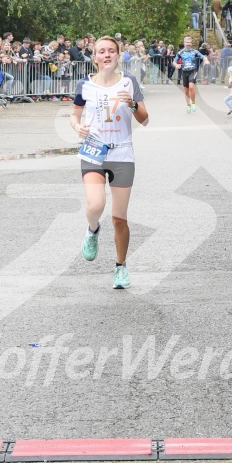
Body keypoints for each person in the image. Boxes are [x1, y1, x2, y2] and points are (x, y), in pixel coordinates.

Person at [70, 36, 149, 289]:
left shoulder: (129, 82)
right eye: (101, 51)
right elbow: (75, 114)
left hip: (122, 154)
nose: (106, 55)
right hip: (94, 152)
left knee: (119, 219)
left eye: (111, 51)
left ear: (118, 56)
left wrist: (133, 104)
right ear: (94, 57)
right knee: (95, 205)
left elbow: (145, 119)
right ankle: (93, 230)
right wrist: (77, 127)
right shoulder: (85, 85)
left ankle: (120, 267)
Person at [173, 36, 209, 113]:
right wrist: (176, 65)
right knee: (186, 90)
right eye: (187, 42)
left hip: (193, 71)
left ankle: (193, 103)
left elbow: (203, 57)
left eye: (190, 43)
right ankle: (188, 105)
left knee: (191, 87)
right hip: (184, 72)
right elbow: (174, 61)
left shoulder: (195, 51)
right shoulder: (181, 52)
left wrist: (206, 60)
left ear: (191, 43)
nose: (188, 44)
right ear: (184, 43)